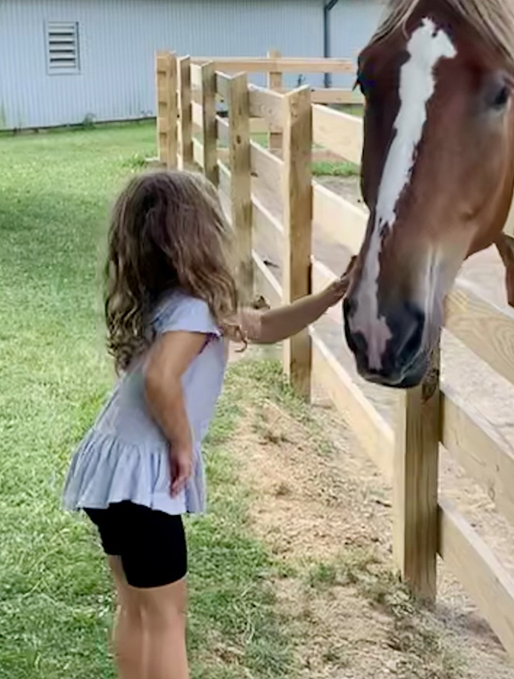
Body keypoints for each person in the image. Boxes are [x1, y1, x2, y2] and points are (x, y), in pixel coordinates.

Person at [62, 169, 353, 679]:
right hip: (140, 483)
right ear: (199, 238)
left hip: (109, 474)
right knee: (168, 617)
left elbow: (261, 326)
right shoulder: (193, 310)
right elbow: (159, 380)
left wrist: (329, 296)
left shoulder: (178, 303)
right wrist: (181, 444)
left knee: (137, 608)